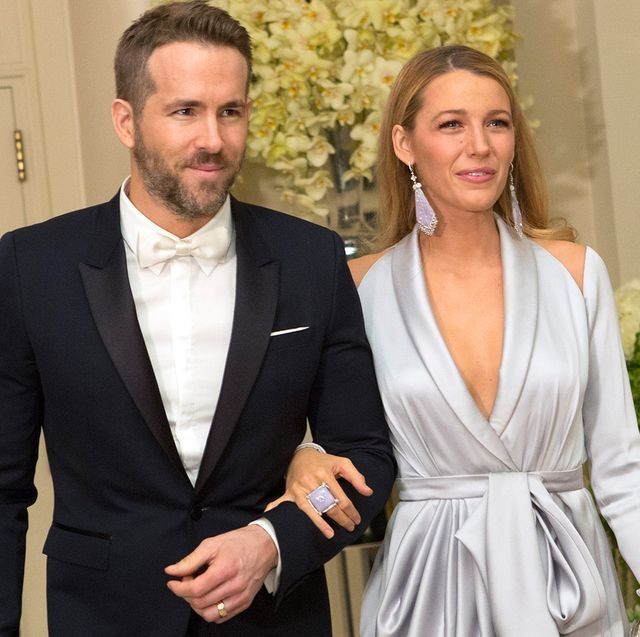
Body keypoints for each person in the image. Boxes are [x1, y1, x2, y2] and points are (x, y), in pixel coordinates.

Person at [0, 2, 396, 635]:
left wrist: (273, 539)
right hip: (103, 618)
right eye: (185, 111)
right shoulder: (30, 266)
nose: (213, 139)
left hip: (275, 620)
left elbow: (365, 456)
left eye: (230, 111)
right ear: (126, 121)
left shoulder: (310, 260)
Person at [277, 45, 640, 636]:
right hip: (428, 591)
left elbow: (623, 467)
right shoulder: (357, 289)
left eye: (497, 123)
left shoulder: (575, 274)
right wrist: (303, 457)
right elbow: (336, 451)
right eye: (451, 125)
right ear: (404, 144)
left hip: (567, 586)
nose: (480, 145)